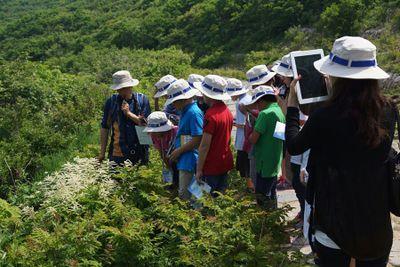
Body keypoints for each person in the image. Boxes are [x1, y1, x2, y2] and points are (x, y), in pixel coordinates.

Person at [286, 36, 393, 266]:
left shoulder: (325, 116)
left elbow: (294, 145)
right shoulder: (388, 111)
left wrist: (293, 105)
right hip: (376, 228)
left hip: (335, 230)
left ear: (336, 76)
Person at [99, 70, 151, 166]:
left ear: (130, 86)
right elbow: (105, 127)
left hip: (140, 153)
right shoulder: (111, 102)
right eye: (119, 89)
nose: (121, 91)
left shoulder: (142, 100)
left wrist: (128, 114)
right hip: (117, 154)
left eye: (124, 88)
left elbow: (147, 125)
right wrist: (102, 153)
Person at [194, 75, 234, 197]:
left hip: (211, 165)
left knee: (207, 200)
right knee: (220, 199)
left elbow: (204, 146)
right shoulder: (226, 111)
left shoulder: (210, 115)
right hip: (224, 162)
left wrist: (199, 169)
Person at [247, 85, 285, 209]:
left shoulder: (265, 114)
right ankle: (273, 221)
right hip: (275, 160)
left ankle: (264, 225)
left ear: (262, 101)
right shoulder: (279, 111)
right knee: (272, 194)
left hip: (264, 161)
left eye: (257, 104)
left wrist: (249, 131)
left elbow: (253, 139)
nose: (257, 107)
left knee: (262, 198)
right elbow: (280, 137)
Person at [166, 79, 203, 200]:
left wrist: (179, 151)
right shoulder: (185, 111)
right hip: (185, 158)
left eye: (175, 102)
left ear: (183, 99)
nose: (173, 105)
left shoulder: (193, 112)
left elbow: (198, 138)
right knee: (188, 192)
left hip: (190, 159)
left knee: (187, 194)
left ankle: (193, 216)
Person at [242, 65, 277, 189]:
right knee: (269, 186)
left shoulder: (265, 108)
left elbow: (253, 137)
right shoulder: (274, 101)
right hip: (272, 149)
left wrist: (250, 111)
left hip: (261, 150)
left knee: (261, 186)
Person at [226, 78, 253, 191]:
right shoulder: (248, 98)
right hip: (247, 140)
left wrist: (234, 123)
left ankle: (249, 189)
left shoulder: (241, 103)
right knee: (248, 166)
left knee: (245, 169)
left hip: (244, 140)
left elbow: (245, 124)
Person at [143, 111, 179, 190]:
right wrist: (169, 168)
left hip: (183, 161)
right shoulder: (154, 135)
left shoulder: (176, 132)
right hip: (170, 160)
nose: (154, 133)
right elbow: (161, 152)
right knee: (173, 185)